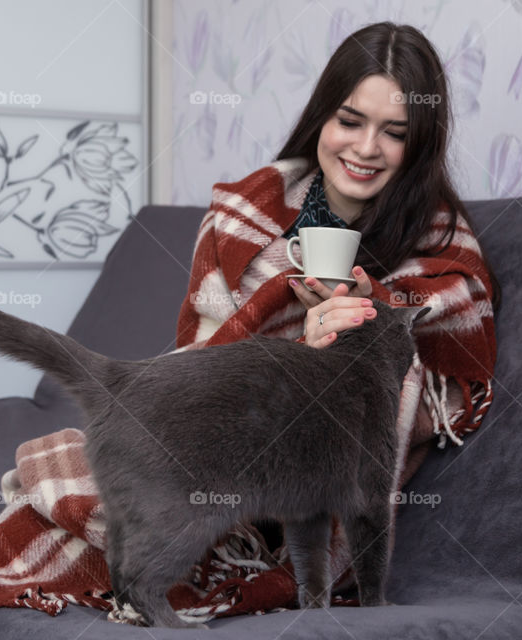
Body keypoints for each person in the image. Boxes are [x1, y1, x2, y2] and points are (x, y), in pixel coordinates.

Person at [175, 21, 500, 550]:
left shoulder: (439, 236)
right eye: (350, 121)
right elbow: (203, 360)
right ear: (322, 117)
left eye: (395, 133)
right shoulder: (241, 214)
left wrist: (362, 323)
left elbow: (452, 343)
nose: (367, 148)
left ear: (418, 145)